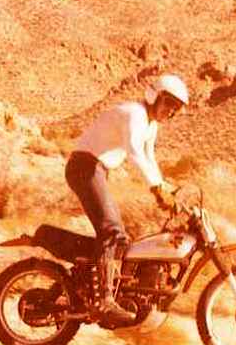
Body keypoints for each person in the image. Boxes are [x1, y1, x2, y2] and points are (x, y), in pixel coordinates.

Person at [64, 73, 189, 324]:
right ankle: (104, 301)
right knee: (112, 231)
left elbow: (149, 158)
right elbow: (134, 151)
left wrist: (166, 188)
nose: (171, 112)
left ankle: (97, 284)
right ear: (155, 97)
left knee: (120, 237)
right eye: (169, 104)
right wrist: (156, 189)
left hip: (97, 170)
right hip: (84, 167)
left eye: (176, 109)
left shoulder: (151, 125)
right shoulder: (135, 114)